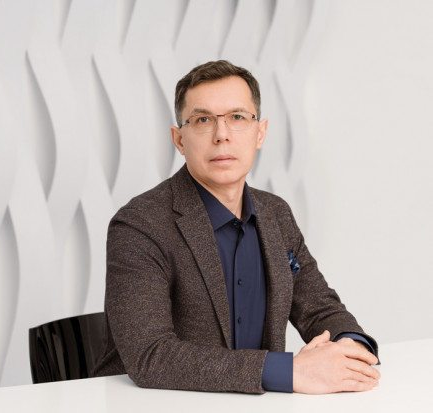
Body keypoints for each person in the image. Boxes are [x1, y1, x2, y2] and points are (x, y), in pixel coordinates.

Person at [91, 60, 380, 394]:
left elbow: (320, 308)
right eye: (202, 120)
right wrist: (288, 371)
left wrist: (350, 347)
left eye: (238, 117)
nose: (222, 135)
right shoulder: (140, 225)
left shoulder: (276, 213)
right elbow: (150, 357)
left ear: (260, 133)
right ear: (179, 139)